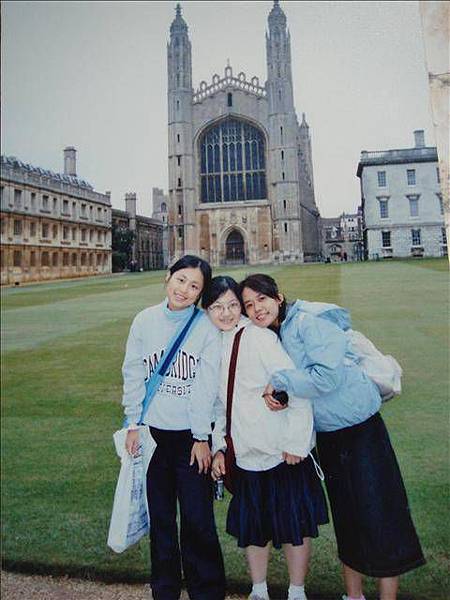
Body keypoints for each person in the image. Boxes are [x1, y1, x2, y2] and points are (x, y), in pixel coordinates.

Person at [239, 273, 425, 600]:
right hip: (329, 436)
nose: (256, 309)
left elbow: (326, 378)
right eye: (249, 305)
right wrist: (282, 395)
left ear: (279, 297)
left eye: (262, 299)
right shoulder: (274, 335)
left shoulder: (308, 323)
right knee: (347, 517)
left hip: (361, 431)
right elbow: (301, 386)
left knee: (381, 515)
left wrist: (281, 381)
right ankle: (353, 596)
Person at [204, 276, 328, 600]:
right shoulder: (216, 342)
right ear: (206, 310)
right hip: (245, 452)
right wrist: (219, 447)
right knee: (253, 527)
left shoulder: (258, 338)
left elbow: (295, 385)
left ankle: (296, 592)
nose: (227, 312)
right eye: (218, 306)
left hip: (279, 449)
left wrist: (297, 443)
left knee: (294, 525)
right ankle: (258, 590)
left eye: (233, 305)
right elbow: (221, 405)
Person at [122, 255, 225, 600]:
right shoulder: (144, 321)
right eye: (181, 280)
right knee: (162, 522)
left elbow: (206, 388)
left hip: (190, 440)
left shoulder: (205, 327)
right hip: (153, 438)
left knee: (198, 522)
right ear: (168, 278)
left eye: (194, 286)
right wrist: (133, 423)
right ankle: (164, 591)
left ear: (200, 293)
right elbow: (133, 374)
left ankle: (206, 592)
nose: (185, 289)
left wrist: (201, 437)